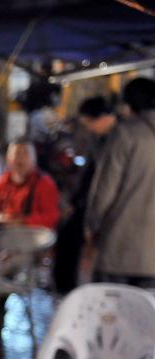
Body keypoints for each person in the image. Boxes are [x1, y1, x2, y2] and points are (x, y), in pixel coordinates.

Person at [86, 77, 155, 287]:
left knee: (113, 314)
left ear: (128, 103)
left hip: (120, 248)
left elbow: (105, 187)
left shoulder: (126, 133)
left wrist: (92, 225)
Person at [53, 97, 118, 293]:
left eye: (90, 123)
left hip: (110, 205)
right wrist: (73, 202)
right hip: (90, 201)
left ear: (103, 118)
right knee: (67, 237)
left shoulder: (121, 137)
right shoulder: (97, 139)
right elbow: (88, 172)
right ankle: (66, 290)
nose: (89, 128)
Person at [0, 139, 60, 229]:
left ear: (34, 159)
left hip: (32, 236)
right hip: (3, 234)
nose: (20, 159)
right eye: (17, 153)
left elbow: (51, 218)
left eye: (25, 154)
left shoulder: (45, 184)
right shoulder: (2, 182)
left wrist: (21, 222)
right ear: (8, 158)